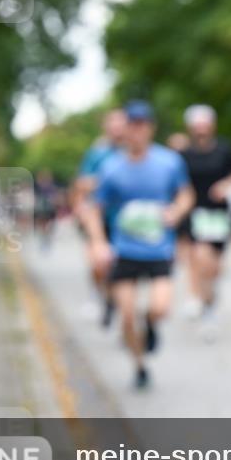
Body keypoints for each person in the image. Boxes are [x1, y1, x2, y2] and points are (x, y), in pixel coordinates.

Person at [86, 101, 194, 389]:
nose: (137, 131)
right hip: (125, 251)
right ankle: (139, 366)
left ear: (150, 128)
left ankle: (152, 324)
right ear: (125, 130)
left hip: (159, 249)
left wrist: (176, 211)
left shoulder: (169, 162)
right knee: (127, 316)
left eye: (142, 125)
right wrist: (98, 242)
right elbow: (94, 207)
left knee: (160, 308)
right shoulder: (110, 167)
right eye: (132, 125)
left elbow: (186, 195)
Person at [178, 104, 231, 330]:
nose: (201, 130)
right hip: (195, 213)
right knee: (198, 255)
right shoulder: (184, 154)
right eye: (197, 126)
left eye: (205, 125)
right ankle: (194, 295)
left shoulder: (224, 150)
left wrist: (226, 184)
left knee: (214, 267)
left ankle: (209, 301)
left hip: (218, 215)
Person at [75, 108, 126, 326]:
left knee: (122, 265)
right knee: (98, 264)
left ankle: (117, 303)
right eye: (112, 123)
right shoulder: (97, 153)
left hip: (124, 220)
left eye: (120, 123)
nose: (116, 128)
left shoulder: (134, 151)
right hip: (99, 216)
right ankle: (103, 296)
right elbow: (82, 183)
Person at [33, 169, 61, 251]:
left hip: (49, 209)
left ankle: (47, 237)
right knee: (42, 224)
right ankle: (44, 238)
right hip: (41, 209)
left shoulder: (52, 187)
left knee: (49, 225)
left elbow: (56, 197)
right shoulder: (37, 188)